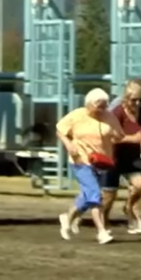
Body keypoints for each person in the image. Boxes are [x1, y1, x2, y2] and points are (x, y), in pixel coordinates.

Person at [56, 87, 128, 245]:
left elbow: (119, 135)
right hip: (80, 160)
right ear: (88, 104)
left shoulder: (109, 117)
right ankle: (102, 232)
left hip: (101, 161)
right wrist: (68, 144)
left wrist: (114, 136)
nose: (101, 108)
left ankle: (67, 218)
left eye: (104, 105)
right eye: (98, 105)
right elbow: (60, 129)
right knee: (95, 195)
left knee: (87, 196)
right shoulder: (77, 115)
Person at [101, 79, 141, 234]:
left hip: (132, 157)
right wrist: (132, 138)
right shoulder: (116, 113)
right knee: (108, 198)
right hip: (113, 157)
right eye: (134, 100)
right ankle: (103, 224)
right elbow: (106, 137)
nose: (137, 103)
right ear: (126, 98)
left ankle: (130, 211)